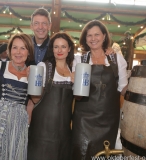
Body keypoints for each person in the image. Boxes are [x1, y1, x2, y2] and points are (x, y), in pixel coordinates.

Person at [71, 20, 128, 160]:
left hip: (108, 121)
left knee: (105, 155)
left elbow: (123, 90)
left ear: (104, 36)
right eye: (89, 35)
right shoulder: (78, 60)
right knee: (81, 155)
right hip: (83, 121)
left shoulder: (116, 59)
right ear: (85, 39)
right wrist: (73, 80)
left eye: (97, 34)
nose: (93, 38)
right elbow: (76, 95)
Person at [27, 32, 75, 160]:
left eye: (63, 47)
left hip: (64, 133)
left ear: (69, 49)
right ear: (51, 49)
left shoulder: (74, 69)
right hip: (42, 132)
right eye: (56, 47)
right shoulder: (44, 67)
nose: (59, 50)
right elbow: (35, 98)